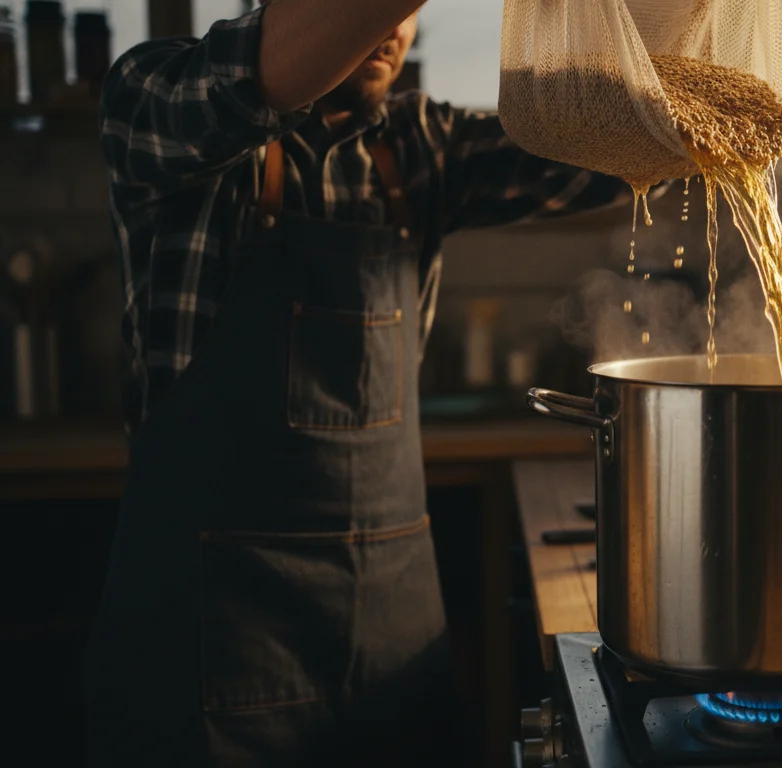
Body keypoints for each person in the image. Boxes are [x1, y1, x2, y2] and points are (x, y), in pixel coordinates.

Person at [85, 1, 626, 764]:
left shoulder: (419, 145)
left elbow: (612, 144)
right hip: (212, 673)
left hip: (394, 660)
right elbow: (248, 82)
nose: (392, 25)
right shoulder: (152, 99)